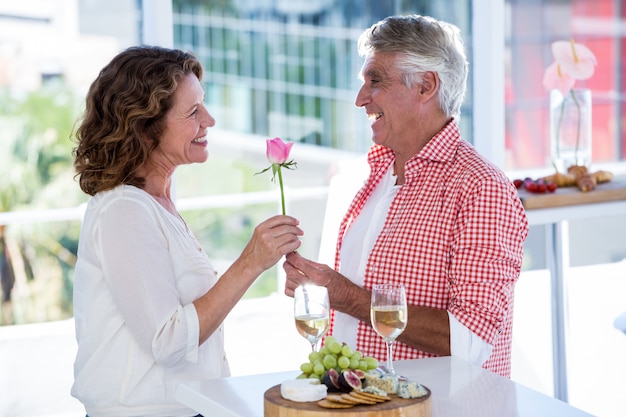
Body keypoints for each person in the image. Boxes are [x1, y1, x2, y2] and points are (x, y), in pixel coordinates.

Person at [283, 15, 528, 378]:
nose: (360, 99)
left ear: (426, 86)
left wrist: (346, 295)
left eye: (375, 80)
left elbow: (471, 343)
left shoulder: (480, 188)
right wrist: (320, 288)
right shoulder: (370, 174)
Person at [71, 46, 303, 417]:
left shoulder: (156, 204)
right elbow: (168, 340)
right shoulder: (125, 211)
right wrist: (251, 262)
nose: (209, 120)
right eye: (193, 112)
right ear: (145, 128)